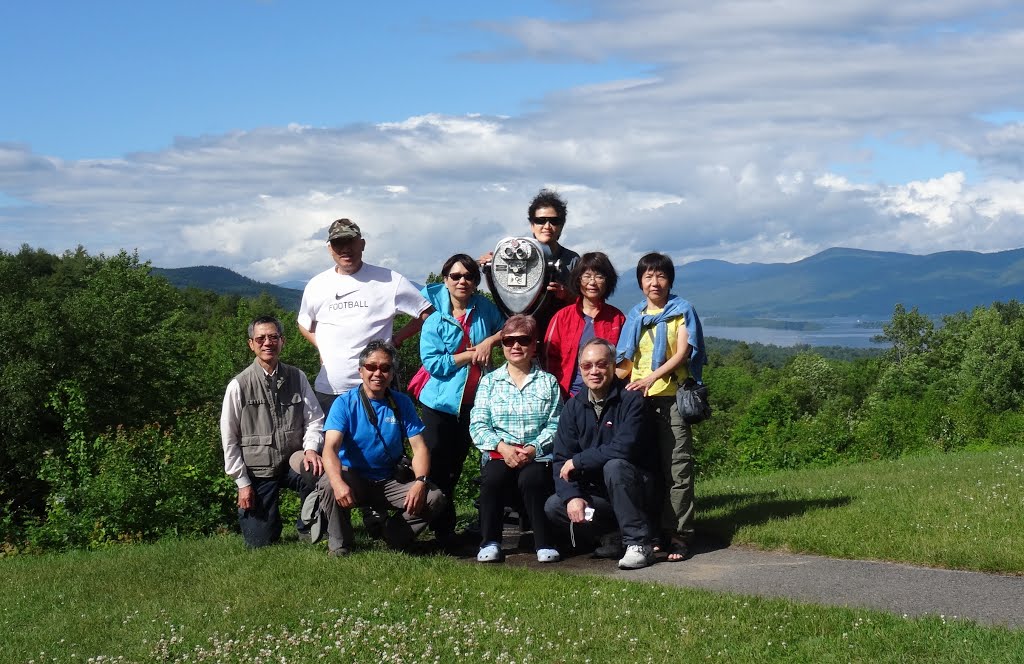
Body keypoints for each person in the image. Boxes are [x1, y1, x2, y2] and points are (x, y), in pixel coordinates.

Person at [316, 340, 447, 556]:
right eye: (371, 367)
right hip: (354, 478)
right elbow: (330, 448)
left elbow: (419, 447)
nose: (378, 373)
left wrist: (420, 482)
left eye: (385, 368)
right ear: (361, 371)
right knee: (329, 484)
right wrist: (338, 482)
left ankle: (394, 535)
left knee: (434, 497)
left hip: (390, 479)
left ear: (392, 373)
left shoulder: (401, 403)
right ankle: (340, 544)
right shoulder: (344, 403)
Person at [616, 252, 706, 562]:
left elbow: (682, 354)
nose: (655, 282)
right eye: (648, 277)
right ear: (640, 282)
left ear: (670, 280)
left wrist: (651, 378)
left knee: (677, 469)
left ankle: (679, 535)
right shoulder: (635, 315)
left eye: (661, 276)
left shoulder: (682, 312)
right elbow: (626, 361)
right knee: (645, 471)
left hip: (671, 400)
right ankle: (651, 533)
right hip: (639, 402)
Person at [298, 218, 434, 416]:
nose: (345, 249)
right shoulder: (317, 285)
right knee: (331, 446)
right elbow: (304, 323)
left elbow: (426, 313)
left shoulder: (389, 280)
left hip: (377, 390)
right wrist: (322, 346)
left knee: (382, 445)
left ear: (361, 244)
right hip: (330, 390)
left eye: (350, 242)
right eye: (338, 244)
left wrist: (396, 340)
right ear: (329, 248)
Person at [544, 338, 658, 569]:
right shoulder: (573, 407)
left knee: (614, 466)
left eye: (601, 364)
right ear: (580, 370)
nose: (594, 371)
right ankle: (612, 538)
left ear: (613, 365)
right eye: (587, 366)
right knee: (555, 505)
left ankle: (639, 542)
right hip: (599, 496)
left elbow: (623, 448)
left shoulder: (631, 400)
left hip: (636, 489)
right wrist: (572, 496)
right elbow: (560, 459)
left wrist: (578, 460)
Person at [417, 254, 505, 541]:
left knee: (455, 468)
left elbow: (510, 326)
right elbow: (434, 364)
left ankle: (448, 529)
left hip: (474, 404)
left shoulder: (485, 309)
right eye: (455, 276)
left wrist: (489, 342)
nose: (462, 281)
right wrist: (470, 354)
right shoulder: (435, 319)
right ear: (445, 280)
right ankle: (441, 530)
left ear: (476, 282)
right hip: (439, 405)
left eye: (468, 276)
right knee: (436, 468)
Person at [220, 315, 325, 548]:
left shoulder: (297, 377)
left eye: (273, 337)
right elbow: (229, 439)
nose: (267, 342)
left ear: (282, 341)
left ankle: (308, 526)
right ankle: (270, 523)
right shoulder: (239, 385)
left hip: (293, 461)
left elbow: (315, 419)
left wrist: (310, 450)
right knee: (260, 541)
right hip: (258, 469)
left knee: (319, 472)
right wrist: (242, 483)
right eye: (260, 338)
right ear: (251, 344)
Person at [469, 314, 563, 563]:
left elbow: (555, 423)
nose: (515, 346)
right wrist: (502, 447)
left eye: (523, 340)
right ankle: (489, 541)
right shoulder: (489, 382)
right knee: (492, 479)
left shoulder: (548, 382)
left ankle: (543, 542)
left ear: (534, 345)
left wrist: (533, 448)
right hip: (500, 452)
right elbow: (478, 423)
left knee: (532, 479)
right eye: (508, 341)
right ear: (502, 346)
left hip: (536, 453)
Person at [479, 189, 580, 334]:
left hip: (559, 332)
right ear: (532, 225)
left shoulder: (572, 260)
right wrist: (492, 265)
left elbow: (585, 302)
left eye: (554, 221)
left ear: (561, 225)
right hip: (522, 336)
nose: (547, 226)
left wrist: (566, 294)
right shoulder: (513, 253)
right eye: (540, 220)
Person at [543, 252, 625, 398]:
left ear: (608, 281)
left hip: (607, 396)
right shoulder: (562, 317)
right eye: (587, 276)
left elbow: (625, 359)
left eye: (599, 276)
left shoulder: (617, 318)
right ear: (578, 280)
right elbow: (549, 357)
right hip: (568, 395)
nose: (592, 282)